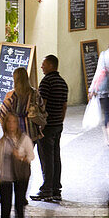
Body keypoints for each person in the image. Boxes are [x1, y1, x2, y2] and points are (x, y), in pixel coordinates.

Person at [0, 110, 35, 218]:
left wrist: (19, 157)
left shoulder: (24, 139)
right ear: (5, 124)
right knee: (5, 207)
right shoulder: (2, 140)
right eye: (9, 121)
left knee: (19, 207)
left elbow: (31, 156)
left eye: (14, 122)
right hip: (5, 177)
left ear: (17, 124)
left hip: (20, 177)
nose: (11, 124)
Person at [32, 55, 68, 203]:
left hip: (47, 126)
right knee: (55, 157)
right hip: (58, 125)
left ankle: (46, 190)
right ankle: (55, 189)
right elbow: (64, 106)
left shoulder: (46, 82)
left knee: (46, 158)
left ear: (51, 65)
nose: (41, 67)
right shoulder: (63, 82)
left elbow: (42, 104)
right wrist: (60, 120)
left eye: (44, 64)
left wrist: (41, 123)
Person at [0, 67, 47, 146]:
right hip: (31, 132)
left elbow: (3, 116)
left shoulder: (10, 96)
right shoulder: (35, 93)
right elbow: (42, 109)